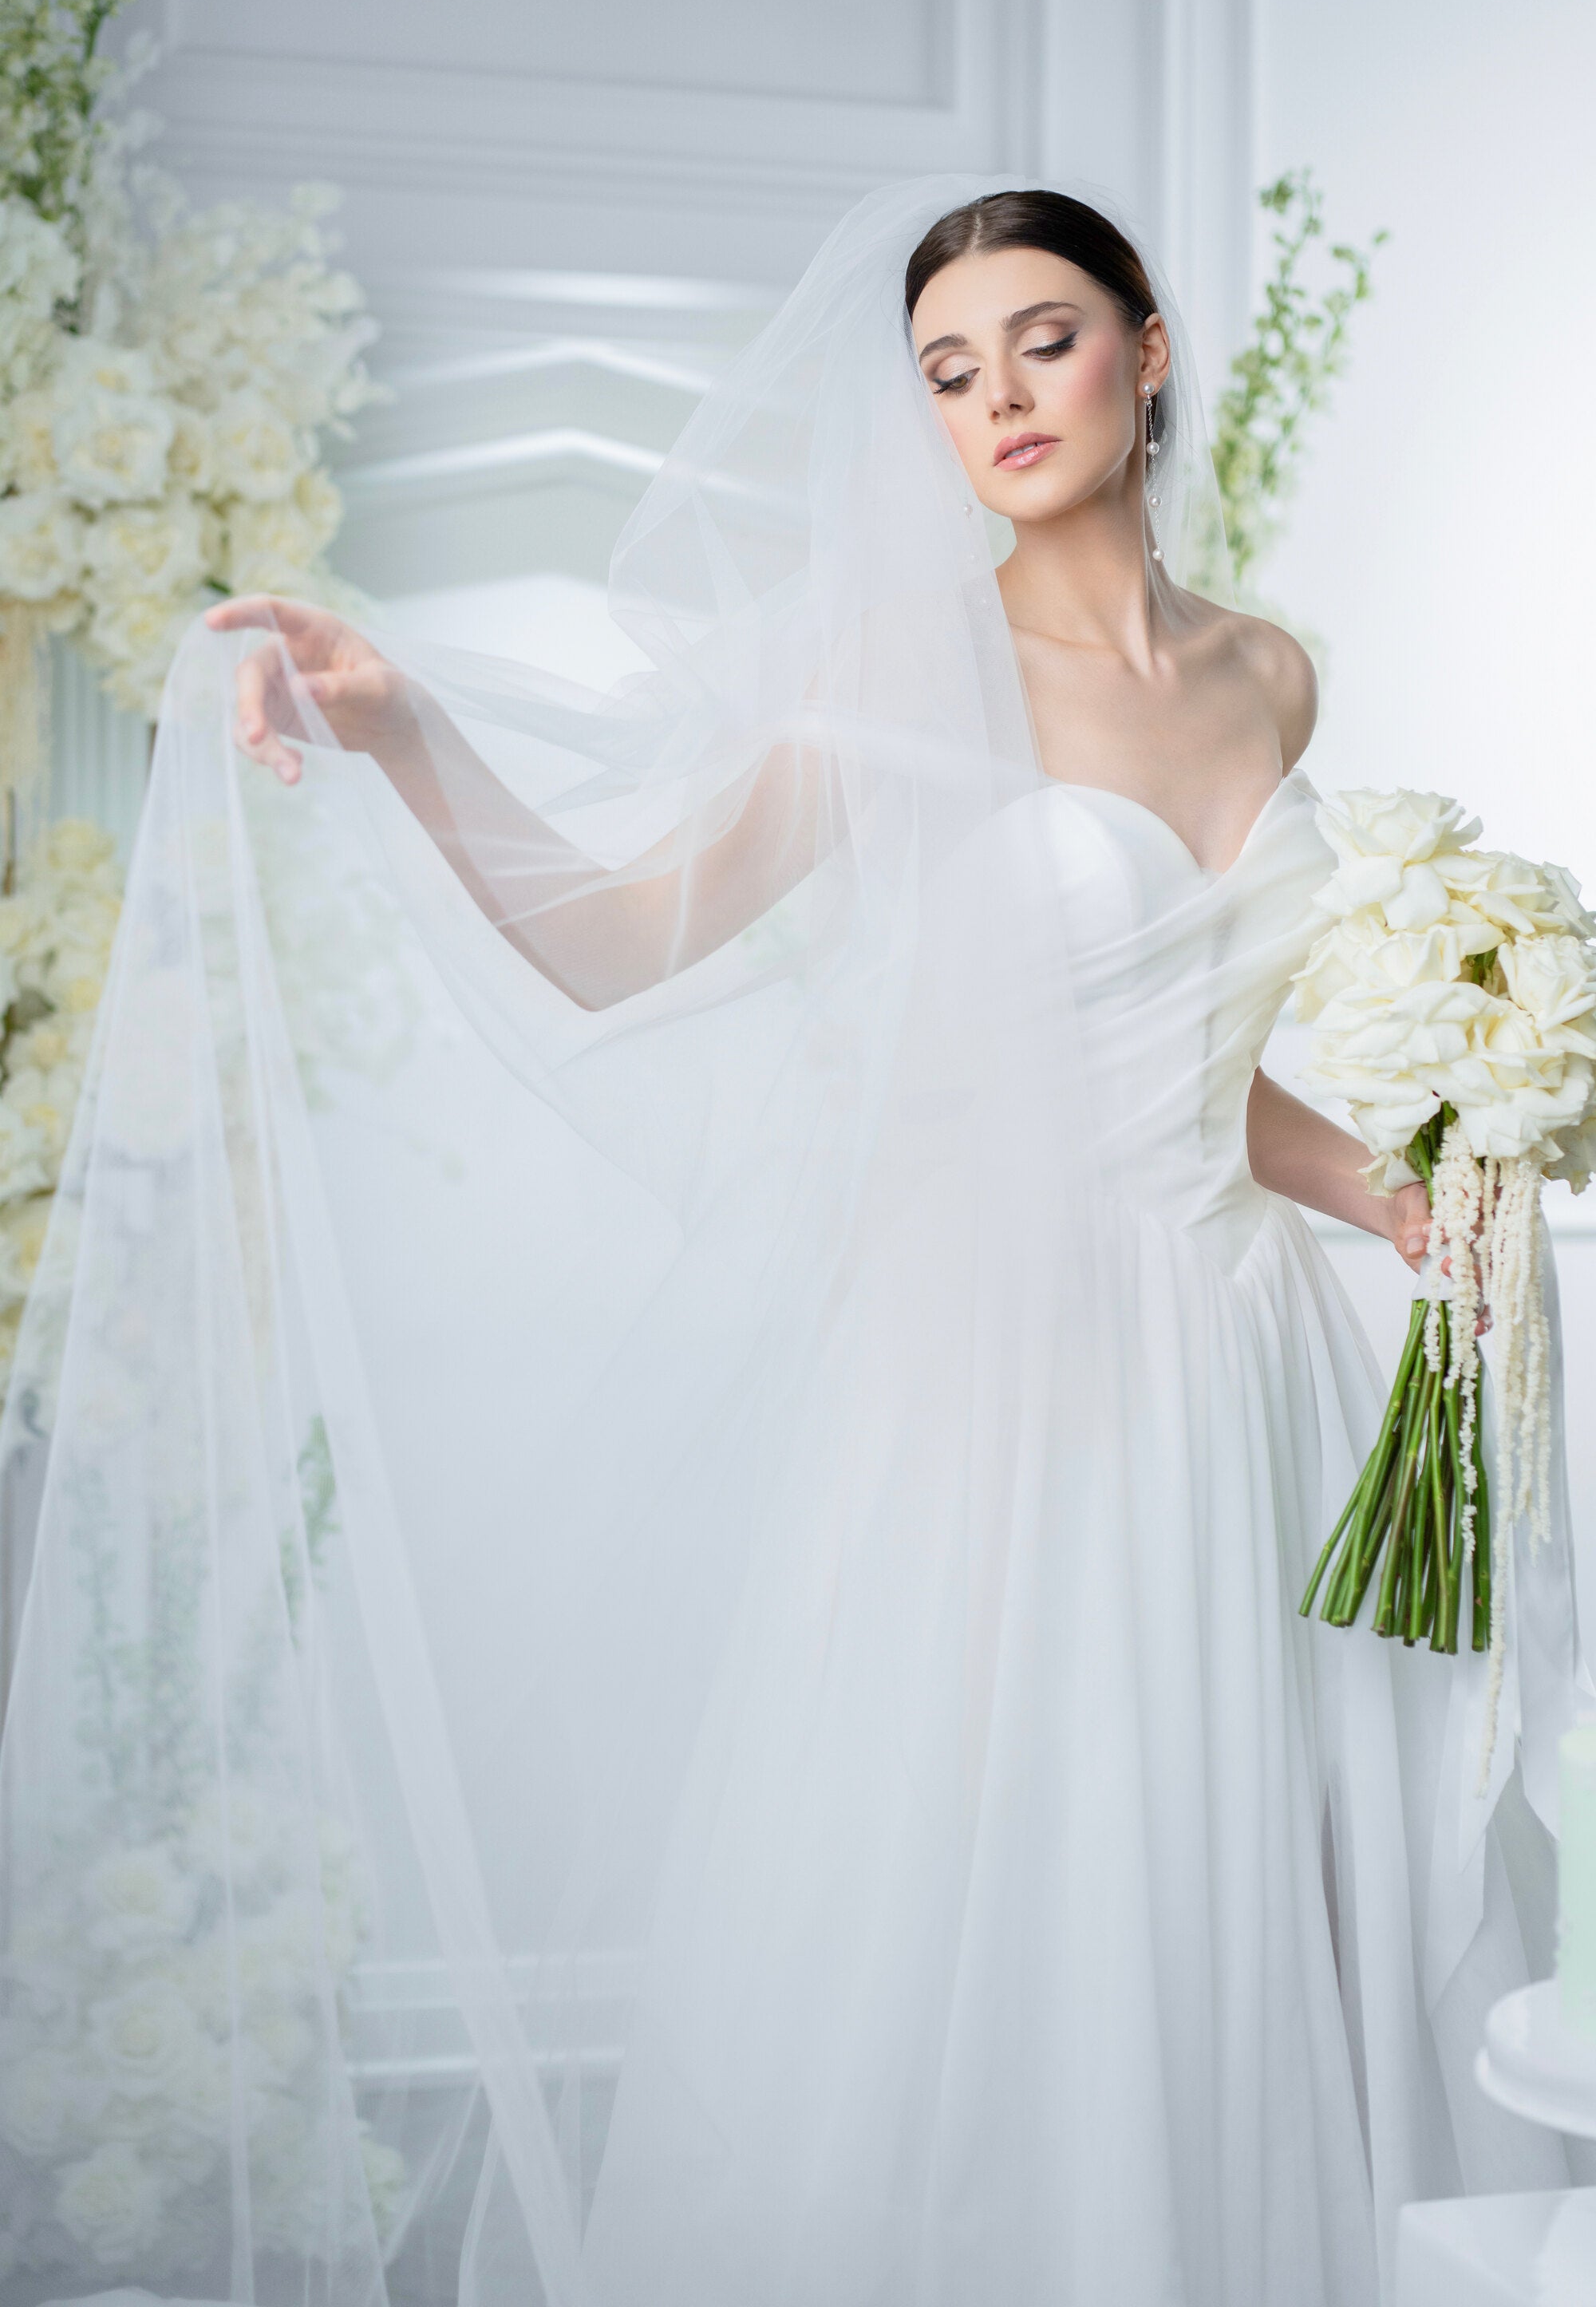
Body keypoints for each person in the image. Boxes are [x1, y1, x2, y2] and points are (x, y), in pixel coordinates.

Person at [0, 181, 1588, 2307]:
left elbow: (1200, 1069)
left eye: (1040, 338)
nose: (997, 398)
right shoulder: (913, 673)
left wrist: (1413, 1193)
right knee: (1022, 1937)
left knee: (1241, 1921)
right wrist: (404, 728)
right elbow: (622, 939)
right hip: (1014, 1397)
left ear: (1148, 348)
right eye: (947, 372)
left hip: (1246, 1374)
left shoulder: (1269, 676)